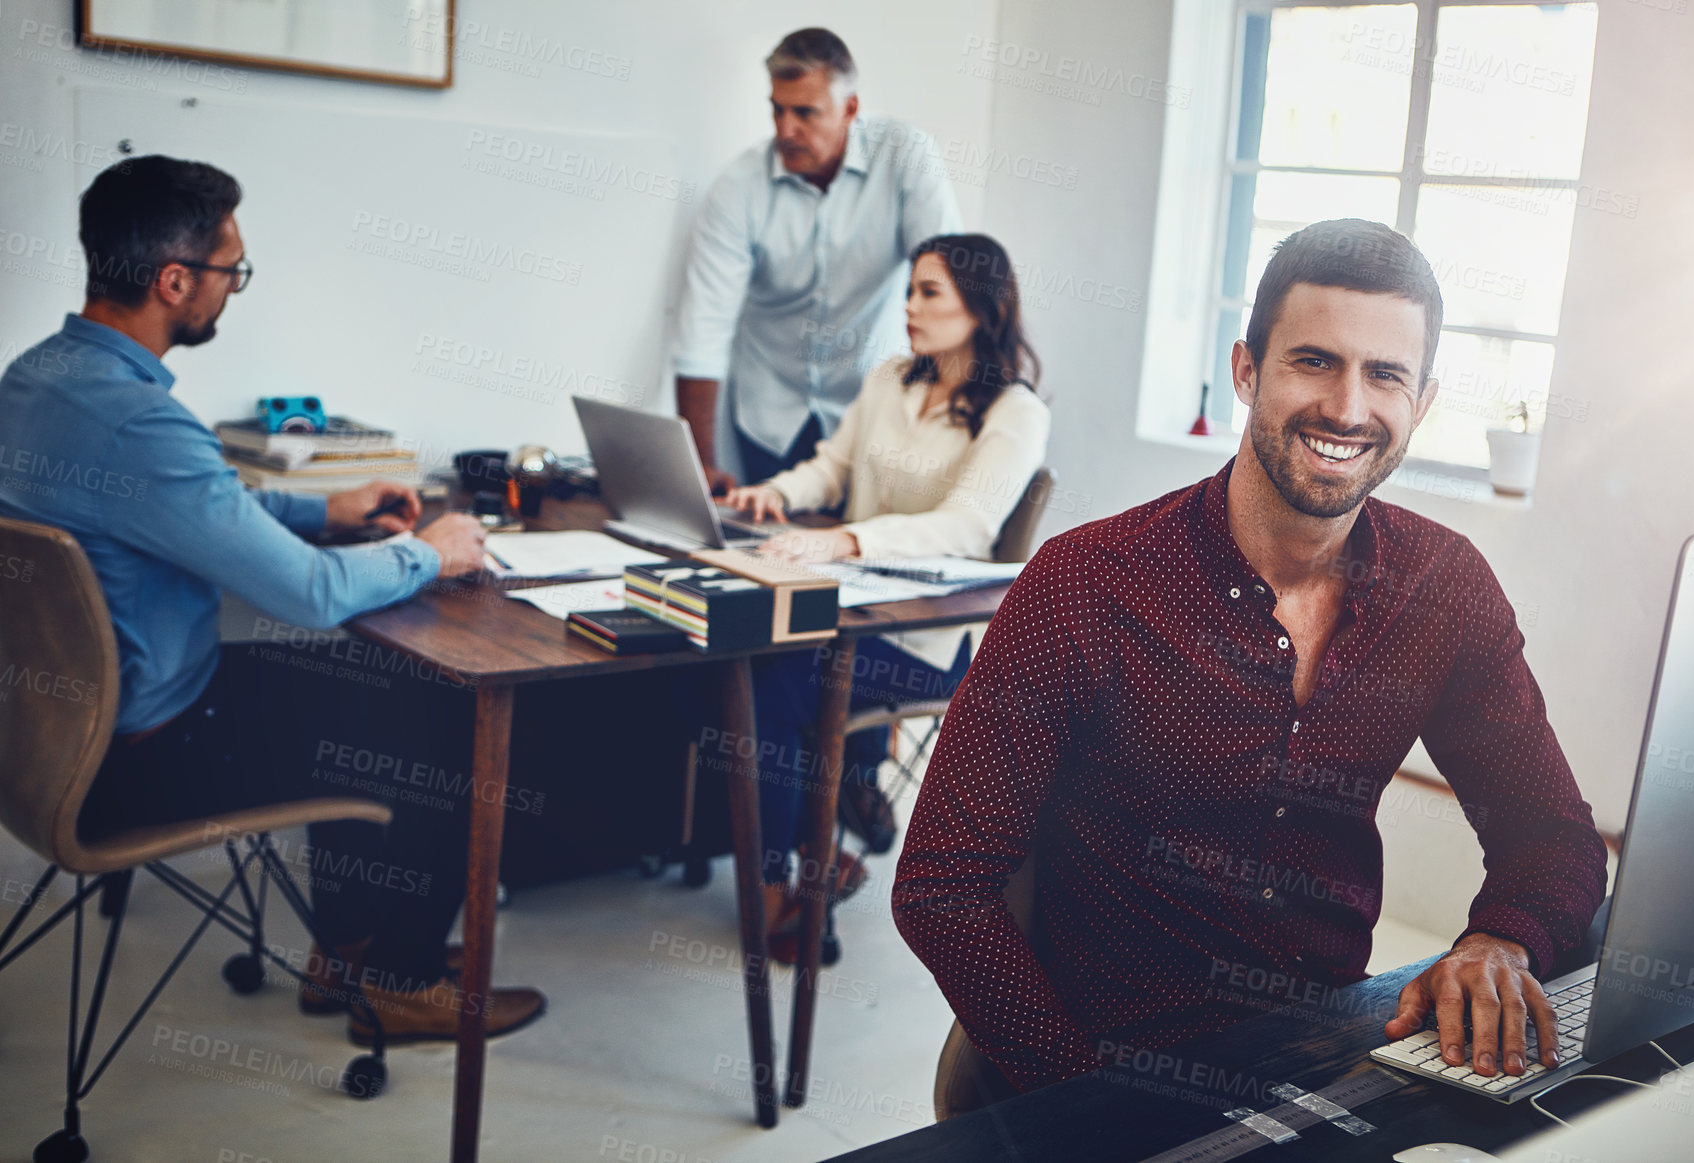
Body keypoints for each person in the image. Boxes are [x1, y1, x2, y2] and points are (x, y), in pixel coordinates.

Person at [893, 219, 1608, 1097]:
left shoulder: (1444, 587)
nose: (1347, 407)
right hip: (1089, 1062)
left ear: (1420, 402)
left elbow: (1554, 836)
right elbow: (942, 885)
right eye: (1313, 360)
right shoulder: (1084, 582)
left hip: (1321, 1053)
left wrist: (1499, 940)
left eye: (1384, 373)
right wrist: (1076, 1095)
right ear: (1246, 370)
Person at [0, 155, 546, 1044]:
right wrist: (425, 550)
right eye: (230, 271)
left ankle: (349, 949)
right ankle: (399, 981)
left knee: (347, 687)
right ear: (174, 280)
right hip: (135, 764)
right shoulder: (139, 420)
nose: (233, 290)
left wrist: (325, 504)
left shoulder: (35, 381)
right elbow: (309, 590)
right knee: (440, 714)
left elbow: (184, 509)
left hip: (45, 741)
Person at [724, 233, 1050, 956]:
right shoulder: (888, 380)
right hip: (848, 613)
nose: (908, 306)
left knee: (773, 677)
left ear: (981, 304)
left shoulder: (1016, 411)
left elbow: (968, 524)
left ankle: (785, 887)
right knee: (740, 656)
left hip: (927, 644)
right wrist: (769, 493)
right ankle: (803, 854)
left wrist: (846, 540)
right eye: (908, 290)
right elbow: (829, 467)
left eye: (928, 292)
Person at [673, 27, 962, 494]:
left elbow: (946, 286)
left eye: (805, 112)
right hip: (770, 414)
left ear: (850, 109)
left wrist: (939, 426)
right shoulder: (738, 188)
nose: (786, 129)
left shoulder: (905, 158)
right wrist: (700, 467)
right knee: (771, 550)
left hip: (872, 410)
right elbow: (702, 333)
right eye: (777, 109)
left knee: (857, 550)